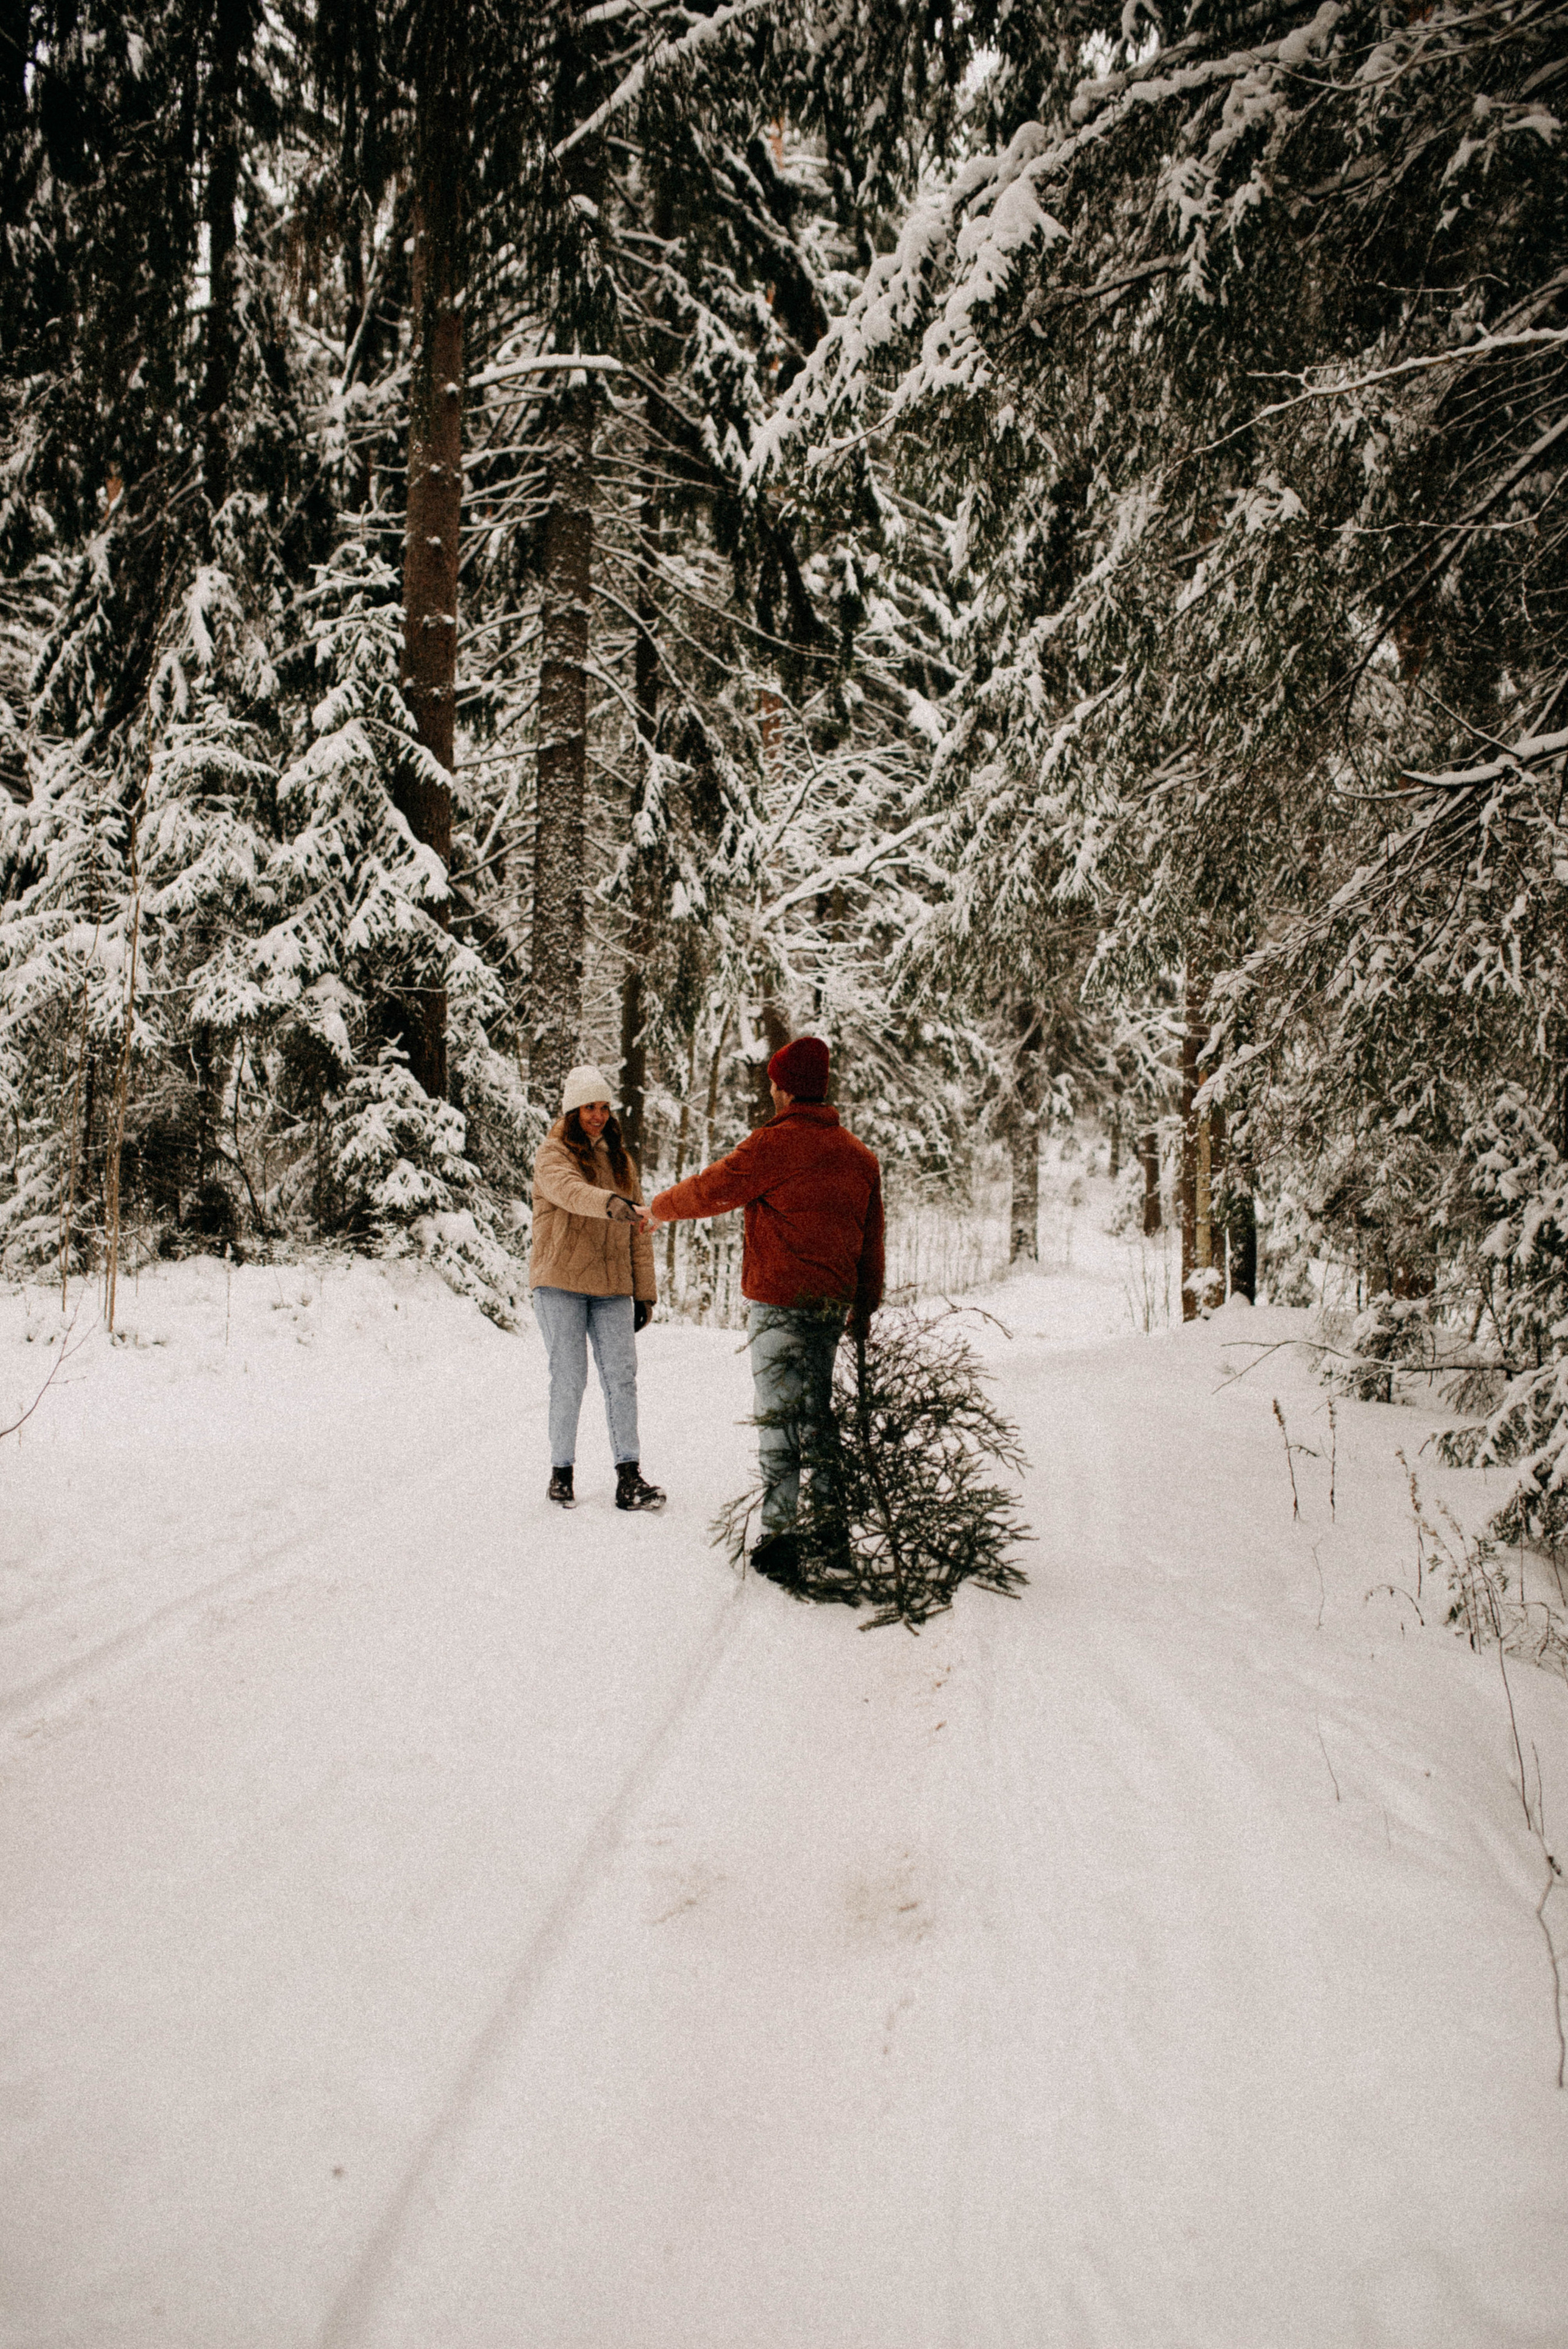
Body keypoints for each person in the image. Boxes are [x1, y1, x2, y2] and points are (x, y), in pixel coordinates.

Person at [642, 1035, 881, 1572]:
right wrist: (864, 1307)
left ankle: (781, 1539)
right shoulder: (859, 1157)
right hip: (831, 1306)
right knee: (819, 1416)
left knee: (778, 1419)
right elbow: (872, 1242)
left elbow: (712, 1189)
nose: (771, 1090)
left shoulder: (775, 1144)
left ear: (788, 1089)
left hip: (778, 1303)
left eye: (775, 1082)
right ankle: (831, 1532)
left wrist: (658, 1208)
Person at [530, 1064, 665, 1512]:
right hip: (561, 1284)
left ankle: (629, 1478)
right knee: (570, 1379)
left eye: (605, 1107)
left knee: (622, 1380)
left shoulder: (621, 1161)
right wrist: (610, 1203)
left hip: (612, 1289)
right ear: (573, 1109)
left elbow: (639, 1229)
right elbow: (570, 1193)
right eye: (590, 1107)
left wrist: (644, 1292)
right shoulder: (553, 1155)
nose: (599, 1115)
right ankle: (561, 1472)